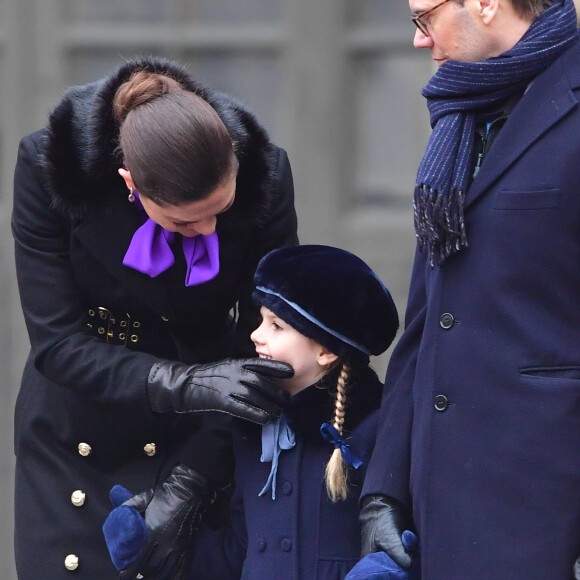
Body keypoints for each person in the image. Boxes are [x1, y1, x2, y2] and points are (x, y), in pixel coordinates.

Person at [11, 56, 299, 578]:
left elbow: (267, 345)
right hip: (76, 431)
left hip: (203, 434)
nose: (209, 230)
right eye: (185, 220)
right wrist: (186, 383)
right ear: (130, 183)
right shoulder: (46, 167)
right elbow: (56, 344)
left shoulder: (268, 178)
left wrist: (192, 480)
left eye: (220, 209)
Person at [358, 0, 580, 578]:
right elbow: (429, 319)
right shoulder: (459, 114)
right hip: (443, 510)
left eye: (424, 16)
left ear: (484, 4)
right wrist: (383, 490)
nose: (418, 39)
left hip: (545, 512)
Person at [103, 244, 401, 579]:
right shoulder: (253, 432)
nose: (255, 336)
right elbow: (238, 552)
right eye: (260, 320)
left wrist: (383, 569)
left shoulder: (376, 430)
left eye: (276, 326)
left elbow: (401, 532)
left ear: (327, 351)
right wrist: (149, 540)